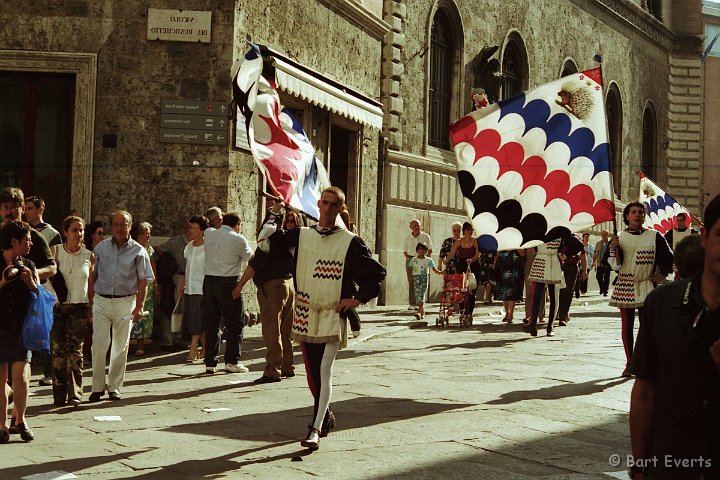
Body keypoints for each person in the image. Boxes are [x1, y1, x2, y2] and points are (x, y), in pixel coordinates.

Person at [269, 186, 386, 450]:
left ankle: (314, 428)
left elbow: (376, 274)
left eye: (335, 205)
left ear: (341, 209)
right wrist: (275, 213)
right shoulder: (301, 235)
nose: (329, 208)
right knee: (312, 374)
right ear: (318, 205)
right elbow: (269, 244)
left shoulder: (351, 242)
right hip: (305, 311)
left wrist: (356, 300)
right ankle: (326, 416)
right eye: (325, 203)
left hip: (334, 313)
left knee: (324, 371)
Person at [628, 194, 720, 480]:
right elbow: (644, 392)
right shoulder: (660, 305)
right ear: (704, 237)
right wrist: (640, 466)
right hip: (672, 465)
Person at [89, 211, 153, 402]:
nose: (119, 228)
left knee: (120, 346)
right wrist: (90, 301)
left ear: (129, 226)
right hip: (101, 300)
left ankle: (114, 387)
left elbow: (144, 281)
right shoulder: (100, 249)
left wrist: (139, 306)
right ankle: (97, 387)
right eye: (116, 224)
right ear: (111, 226)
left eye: (123, 224)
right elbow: (93, 277)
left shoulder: (139, 251)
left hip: (125, 301)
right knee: (99, 344)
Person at [609, 202, 673, 377]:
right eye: (634, 212)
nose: (637, 215)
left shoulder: (654, 236)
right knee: (626, 326)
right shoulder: (619, 237)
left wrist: (662, 275)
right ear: (627, 216)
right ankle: (630, 362)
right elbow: (615, 265)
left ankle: (644, 362)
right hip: (625, 284)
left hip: (646, 284)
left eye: (641, 212)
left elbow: (668, 258)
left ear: (645, 216)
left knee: (647, 326)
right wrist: (613, 247)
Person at [236, 206, 299, 383]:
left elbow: (254, 264)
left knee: (272, 329)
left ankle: (273, 369)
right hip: (288, 285)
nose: (288, 223)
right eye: (287, 220)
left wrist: (239, 286)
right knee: (285, 330)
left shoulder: (275, 238)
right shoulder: (296, 240)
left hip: (274, 287)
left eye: (291, 221)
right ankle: (287, 366)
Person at [0, 188, 56, 387]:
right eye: (6, 207)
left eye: (14, 208)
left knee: (20, 366)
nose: (9, 212)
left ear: (23, 209)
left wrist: (30, 274)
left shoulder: (34, 237)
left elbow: (52, 267)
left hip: (24, 308)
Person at [0, 220, 40, 442]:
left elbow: (39, 295)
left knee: (20, 378)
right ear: (14, 242)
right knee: (0, 380)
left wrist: (32, 284)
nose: (31, 243)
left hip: (21, 328)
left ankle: (20, 420)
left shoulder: (29, 265)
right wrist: (3, 282)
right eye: (27, 240)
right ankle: (1, 425)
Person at [50, 216, 94, 407]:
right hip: (58, 307)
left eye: (81, 230)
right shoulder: (55, 251)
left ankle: (75, 393)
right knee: (58, 351)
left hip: (80, 306)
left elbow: (91, 284)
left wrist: (91, 308)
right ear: (65, 232)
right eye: (74, 230)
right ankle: (59, 393)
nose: (78, 234)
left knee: (76, 351)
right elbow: (47, 279)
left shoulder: (88, 255)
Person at [203, 212, 253, 374]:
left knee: (212, 323)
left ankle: (210, 362)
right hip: (228, 282)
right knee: (234, 324)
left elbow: (212, 228)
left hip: (209, 282)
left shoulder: (209, 234)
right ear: (237, 224)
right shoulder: (238, 239)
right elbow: (251, 258)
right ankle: (232, 361)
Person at [155, 224, 189, 352]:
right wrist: (169, 262)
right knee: (171, 307)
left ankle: (177, 338)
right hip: (176, 276)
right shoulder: (177, 241)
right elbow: (159, 249)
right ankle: (167, 340)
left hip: (188, 277)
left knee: (181, 309)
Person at [181, 215, 208, 363]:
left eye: (194, 228)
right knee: (195, 320)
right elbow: (187, 267)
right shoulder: (189, 246)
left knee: (197, 319)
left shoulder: (208, 247)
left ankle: (193, 348)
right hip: (189, 288)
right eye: (190, 227)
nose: (191, 230)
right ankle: (205, 347)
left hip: (202, 287)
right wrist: (184, 283)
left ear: (202, 230)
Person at [525, 238, 564, 337]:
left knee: (554, 296)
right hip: (541, 260)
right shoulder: (538, 228)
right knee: (537, 295)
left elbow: (574, 243)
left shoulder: (561, 230)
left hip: (553, 262)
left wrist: (565, 254)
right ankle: (533, 324)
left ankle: (550, 326)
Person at [130, 222, 156, 356]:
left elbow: (152, 267)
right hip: (133, 284)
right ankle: (127, 344)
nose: (149, 235)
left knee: (144, 315)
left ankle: (140, 345)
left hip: (147, 286)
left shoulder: (150, 249)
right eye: (147, 233)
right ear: (139, 235)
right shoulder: (131, 248)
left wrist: (155, 285)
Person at [446, 222, 482, 319]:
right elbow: (452, 252)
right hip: (461, 265)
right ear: (464, 231)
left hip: (473, 265)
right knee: (461, 289)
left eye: (471, 230)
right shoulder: (458, 241)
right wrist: (446, 260)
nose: (470, 232)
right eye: (468, 230)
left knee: (471, 290)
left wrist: (472, 259)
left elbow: (478, 254)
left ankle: (469, 313)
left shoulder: (475, 241)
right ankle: (462, 310)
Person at [82, 220, 104, 366]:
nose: (102, 236)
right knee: (88, 325)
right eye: (99, 233)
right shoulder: (86, 253)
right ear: (92, 236)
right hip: (88, 291)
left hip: (101, 291)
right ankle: (86, 354)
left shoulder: (105, 250)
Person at [556, 234, 587, 326]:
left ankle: (562, 316)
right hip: (558, 267)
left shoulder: (575, 240)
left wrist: (584, 271)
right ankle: (560, 312)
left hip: (571, 268)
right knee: (559, 291)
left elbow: (582, 256)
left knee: (568, 291)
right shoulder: (558, 239)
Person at [408, 242, 443, 320]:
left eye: (423, 249)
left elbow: (434, 269)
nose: (421, 251)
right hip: (416, 278)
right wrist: (410, 277)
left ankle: (419, 312)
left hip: (424, 278)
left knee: (422, 295)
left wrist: (440, 272)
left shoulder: (428, 260)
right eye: (420, 249)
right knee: (418, 296)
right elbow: (409, 268)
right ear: (417, 250)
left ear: (426, 251)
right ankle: (422, 312)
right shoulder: (414, 259)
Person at [403, 219, 432, 310]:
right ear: (410, 227)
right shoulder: (408, 237)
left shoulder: (425, 236)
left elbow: (430, 250)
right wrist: (411, 259)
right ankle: (412, 303)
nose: (416, 227)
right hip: (412, 260)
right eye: (414, 226)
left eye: (418, 225)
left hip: (422, 260)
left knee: (422, 281)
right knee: (411, 281)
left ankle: (420, 303)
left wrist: (423, 258)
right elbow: (405, 251)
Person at [493, 249, 526, 323]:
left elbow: (522, 253)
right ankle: (507, 313)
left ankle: (510, 314)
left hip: (514, 266)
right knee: (503, 290)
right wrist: (495, 261)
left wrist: (515, 247)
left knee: (512, 289)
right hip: (502, 264)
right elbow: (498, 250)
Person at [574, 233, 594, 298]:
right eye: (585, 237)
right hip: (580, 263)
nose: (587, 238)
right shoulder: (580, 245)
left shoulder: (591, 247)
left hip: (588, 263)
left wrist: (594, 263)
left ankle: (583, 290)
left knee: (585, 276)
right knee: (579, 276)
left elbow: (593, 255)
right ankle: (579, 289)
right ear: (583, 237)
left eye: (588, 237)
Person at [593, 230, 611, 296]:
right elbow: (595, 253)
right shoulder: (598, 243)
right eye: (602, 234)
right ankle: (602, 288)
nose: (604, 236)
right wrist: (593, 261)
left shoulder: (610, 243)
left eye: (605, 234)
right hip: (600, 263)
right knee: (598, 276)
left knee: (606, 277)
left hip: (607, 263)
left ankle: (605, 290)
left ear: (607, 235)